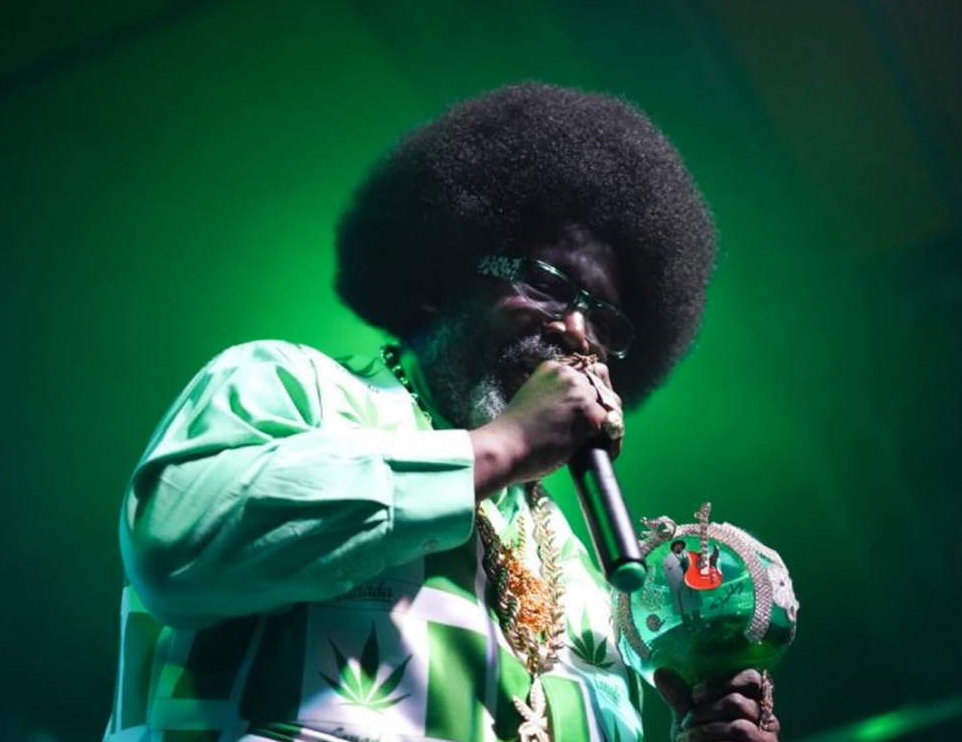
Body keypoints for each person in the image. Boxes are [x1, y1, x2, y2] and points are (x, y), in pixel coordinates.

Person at [102, 82, 781, 742]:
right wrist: (503, 445)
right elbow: (175, 545)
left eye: (605, 320)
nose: (578, 333)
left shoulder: (588, 582)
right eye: (547, 283)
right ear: (449, 272)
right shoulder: (290, 385)